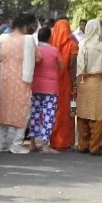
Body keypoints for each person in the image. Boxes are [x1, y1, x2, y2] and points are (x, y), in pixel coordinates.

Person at [0, 14, 40, 154]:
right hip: (21, 81)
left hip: (2, 80)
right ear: (25, 26)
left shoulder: (1, 39)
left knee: (2, 111)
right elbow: (38, 58)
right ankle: (16, 145)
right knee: (21, 111)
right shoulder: (28, 40)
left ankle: (1, 143)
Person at [74, 19, 102, 154]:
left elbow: (80, 66)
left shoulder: (82, 44)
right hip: (98, 81)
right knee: (97, 114)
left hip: (83, 80)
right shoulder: (101, 46)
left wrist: (77, 82)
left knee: (83, 113)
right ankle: (94, 147)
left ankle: (82, 145)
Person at [28, 25, 64, 153]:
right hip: (51, 88)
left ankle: (32, 142)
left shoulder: (35, 50)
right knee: (48, 114)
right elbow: (61, 66)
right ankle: (45, 144)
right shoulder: (54, 51)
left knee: (34, 114)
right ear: (50, 38)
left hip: (35, 86)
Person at [48, 18, 79, 152]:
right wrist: (75, 83)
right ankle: (64, 140)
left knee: (53, 109)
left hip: (52, 80)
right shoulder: (73, 45)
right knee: (67, 110)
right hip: (66, 80)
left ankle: (52, 140)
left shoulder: (50, 44)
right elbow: (72, 67)